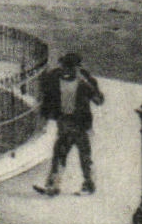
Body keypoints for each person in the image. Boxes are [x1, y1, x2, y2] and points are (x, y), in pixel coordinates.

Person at [34, 52, 105, 196]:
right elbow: (46, 99)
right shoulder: (54, 79)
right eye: (65, 67)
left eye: (71, 68)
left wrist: (86, 84)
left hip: (82, 125)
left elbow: (99, 100)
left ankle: (89, 185)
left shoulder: (85, 81)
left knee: (85, 156)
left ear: (78, 68)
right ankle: (52, 186)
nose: (67, 70)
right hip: (64, 122)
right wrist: (45, 119)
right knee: (59, 154)